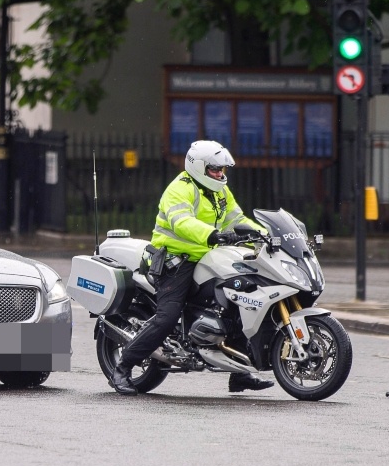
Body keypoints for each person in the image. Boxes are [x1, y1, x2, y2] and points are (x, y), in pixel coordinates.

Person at [108, 140, 269, 396]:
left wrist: (265, 235)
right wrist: (213, 235)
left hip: (207, 258)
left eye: (222, 169)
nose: (220, 174)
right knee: (167, 316)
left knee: (237, 301)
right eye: (215, 169)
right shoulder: (180, 188)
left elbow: (237, 220)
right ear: (199, 167)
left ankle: (240, 374)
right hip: (174, 261)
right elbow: (182, 222)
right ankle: (123, 368)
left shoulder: (219, 191)